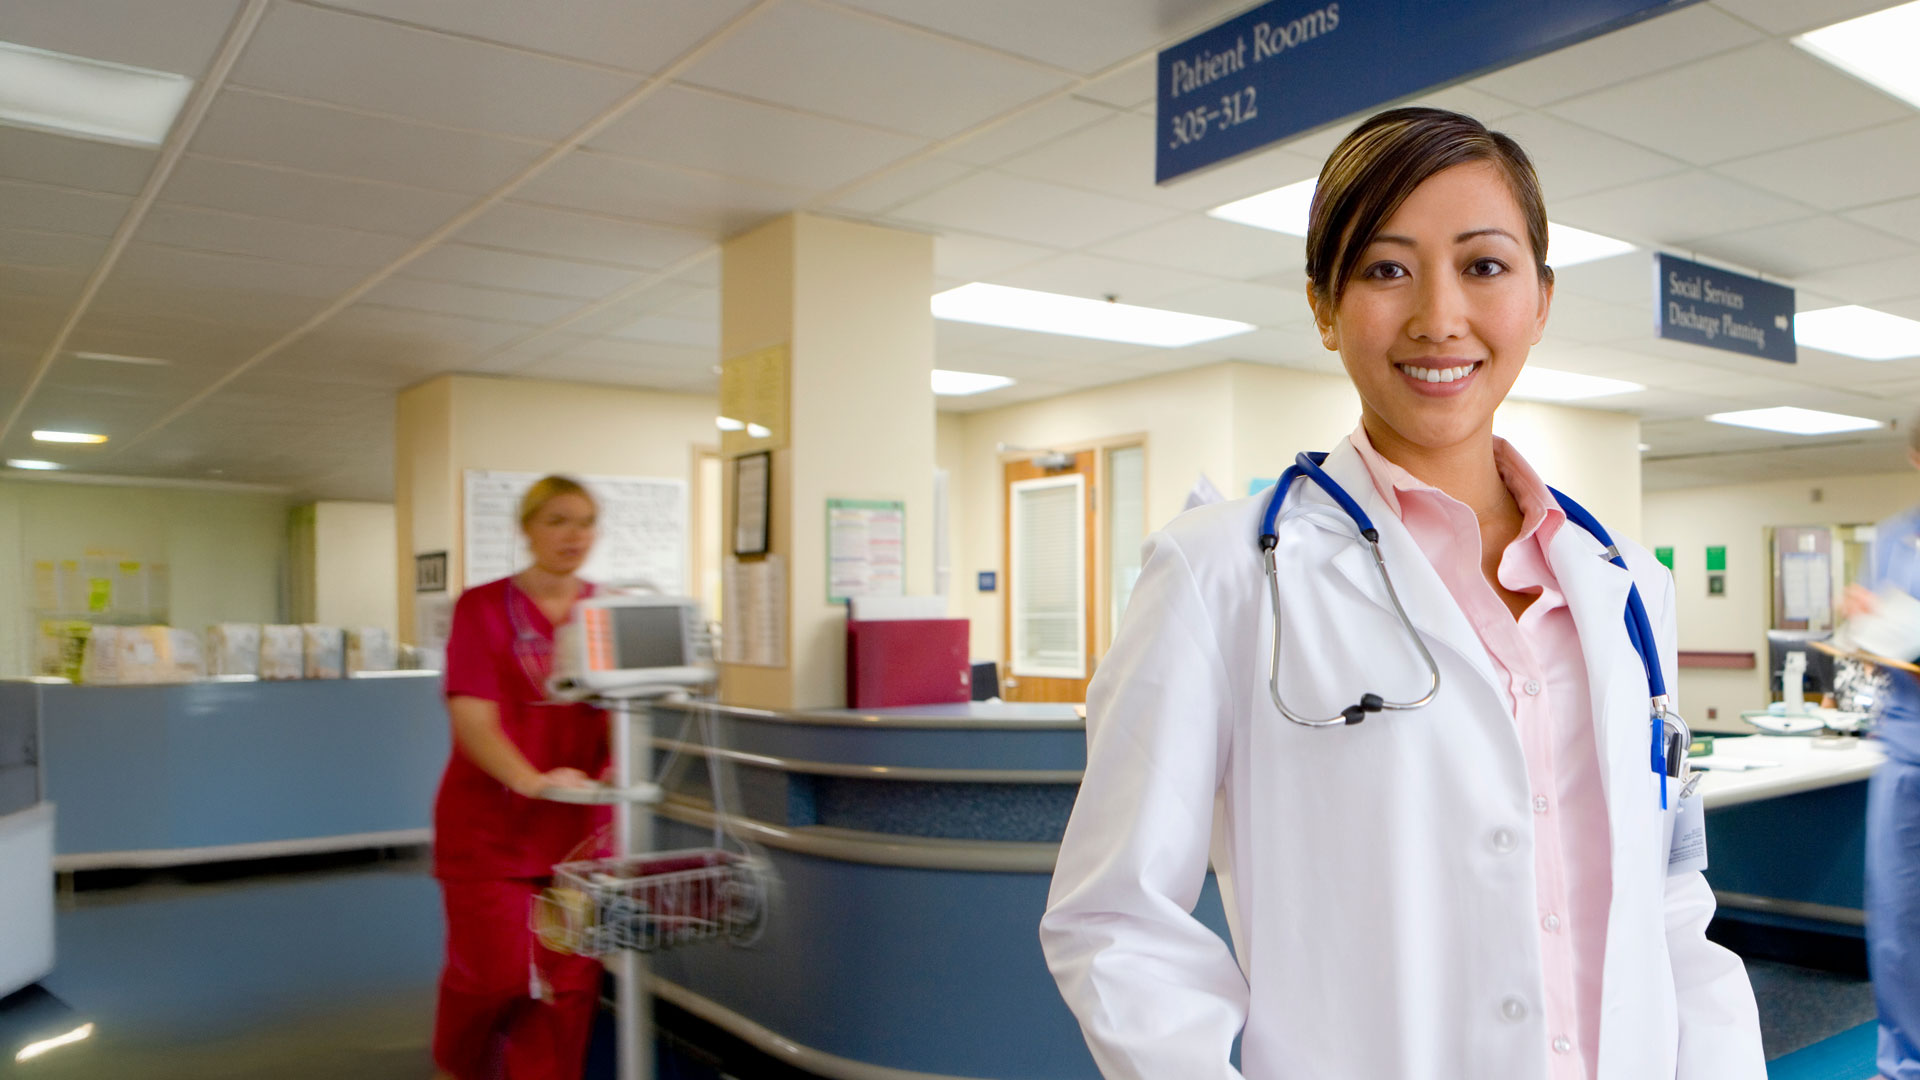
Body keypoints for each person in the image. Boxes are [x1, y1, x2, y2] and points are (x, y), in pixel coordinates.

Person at [1039, 108, 1764, 1080]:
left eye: (1485, 265)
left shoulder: (1629, 584)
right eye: (1386, 269)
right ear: (1324, 305)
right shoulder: (1217, 576)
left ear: (1541, 299)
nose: (1438, 316)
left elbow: (1671, 893)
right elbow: (1116, 919)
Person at [430, 475, 610, 1080]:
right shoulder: (481, 607)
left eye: (585, 521)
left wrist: (612, 778)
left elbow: (630, 714)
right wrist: (529, 779)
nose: (574, 535)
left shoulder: (607, 612)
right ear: (527, 528)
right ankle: (462, 1063)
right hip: (493, 825)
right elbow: (471, 716)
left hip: (580, 829)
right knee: (496, 971)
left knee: (569, 982)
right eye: (557, 520)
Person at [1843, 418, 1920, 1080]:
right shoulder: (1896, 536)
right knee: (1897, 922)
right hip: (1904, 747)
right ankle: (1903, 1065)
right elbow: (1871, 647)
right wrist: (1864, 623)